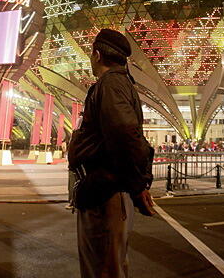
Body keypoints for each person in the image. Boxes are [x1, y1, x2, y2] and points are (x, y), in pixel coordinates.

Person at [68, 29, 155, 278]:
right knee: (107, 266)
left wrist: (138, 186)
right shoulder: (119, 83)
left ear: (97, 54)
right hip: (105, 191)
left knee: (103, 269)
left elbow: (124, 134)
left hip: (104, 194)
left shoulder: (111, 84)